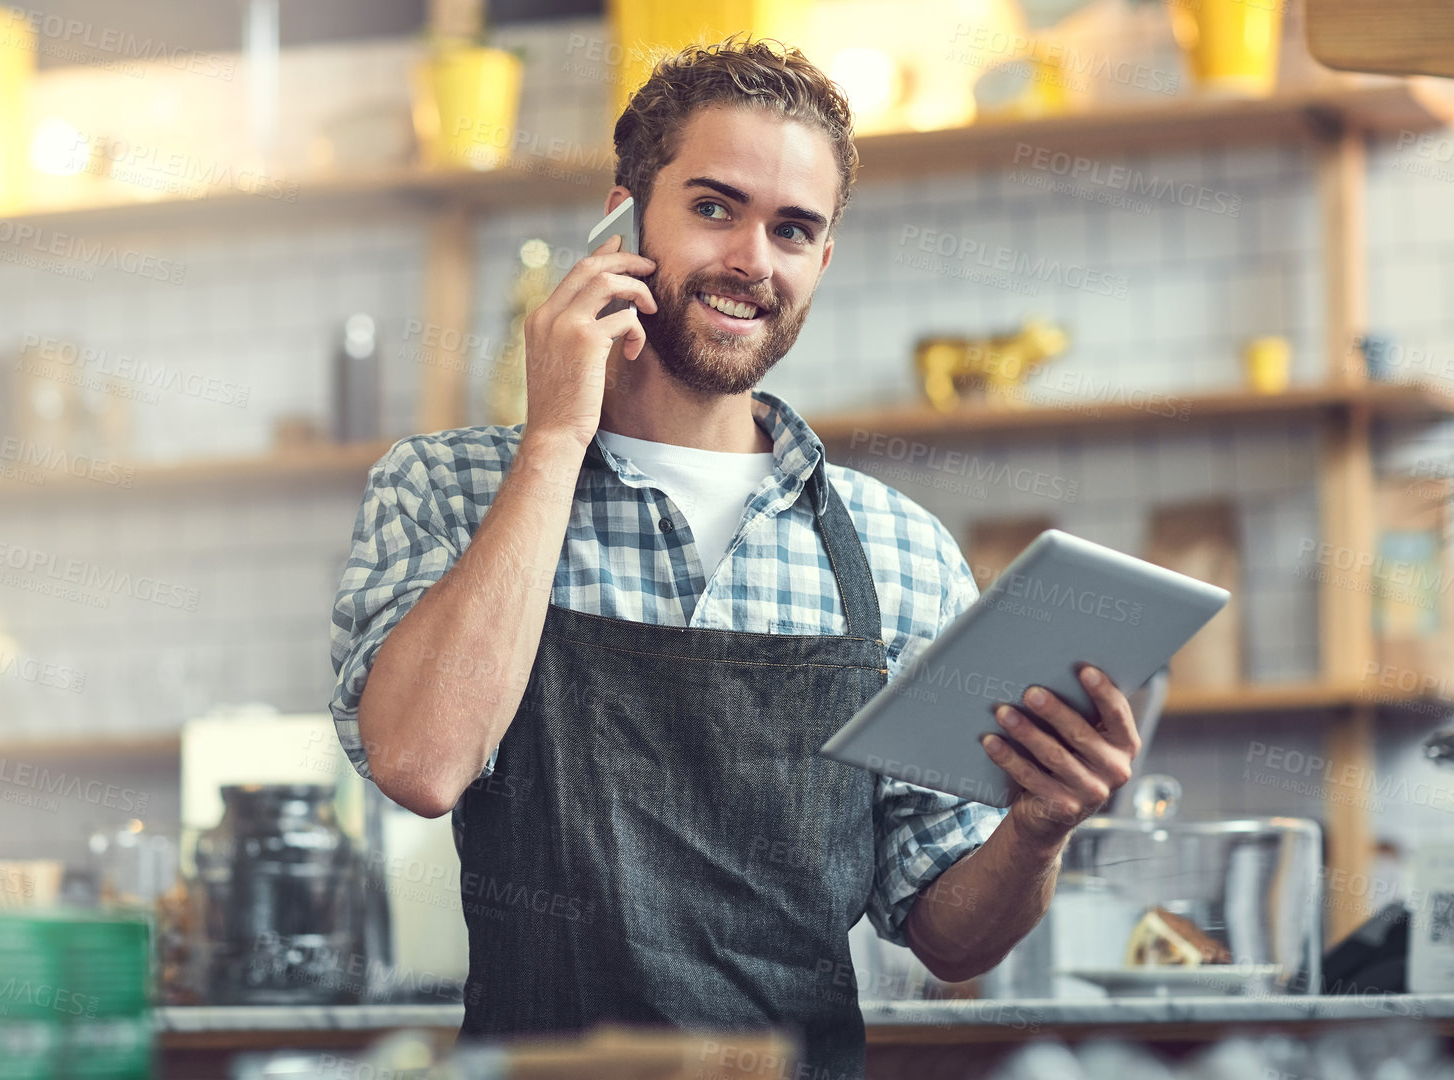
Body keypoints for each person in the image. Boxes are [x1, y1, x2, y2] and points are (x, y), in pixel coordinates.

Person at [330, 36, 1142, 1077]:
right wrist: (550, 440)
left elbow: (945, 936)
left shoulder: (899, 552)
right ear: (623, 220)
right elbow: (421, 762)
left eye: (792, 229)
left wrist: (1037, 829)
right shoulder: (445, 489)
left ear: (821, 262)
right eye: (713, 207)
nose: (752, 260)